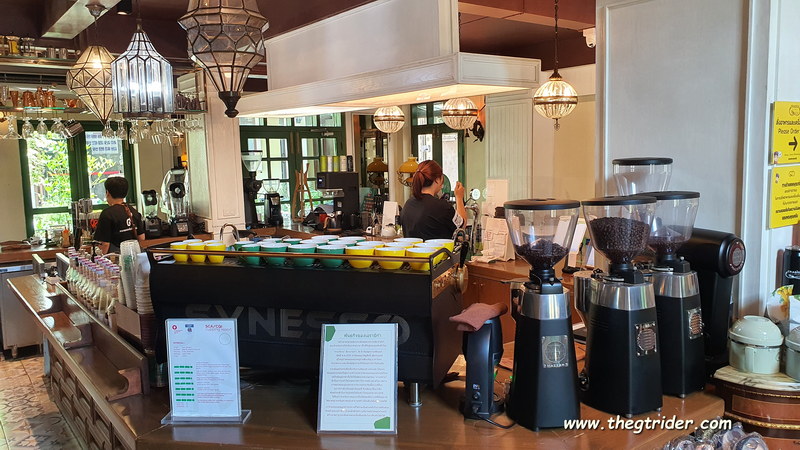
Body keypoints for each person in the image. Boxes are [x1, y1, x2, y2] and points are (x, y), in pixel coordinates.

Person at [400, 160, 467, 241]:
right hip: (439, 249)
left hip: (413, 249)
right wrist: (459, 197)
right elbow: (462, 226)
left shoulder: (408, 204)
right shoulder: (442, 207)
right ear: (437, 180)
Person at [93, 176, 145, 255]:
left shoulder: (107, 214)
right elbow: (141, 238)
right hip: (134, 256)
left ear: (107, 193)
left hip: (115, 258)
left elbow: (104, 245)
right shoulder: (134, 211)